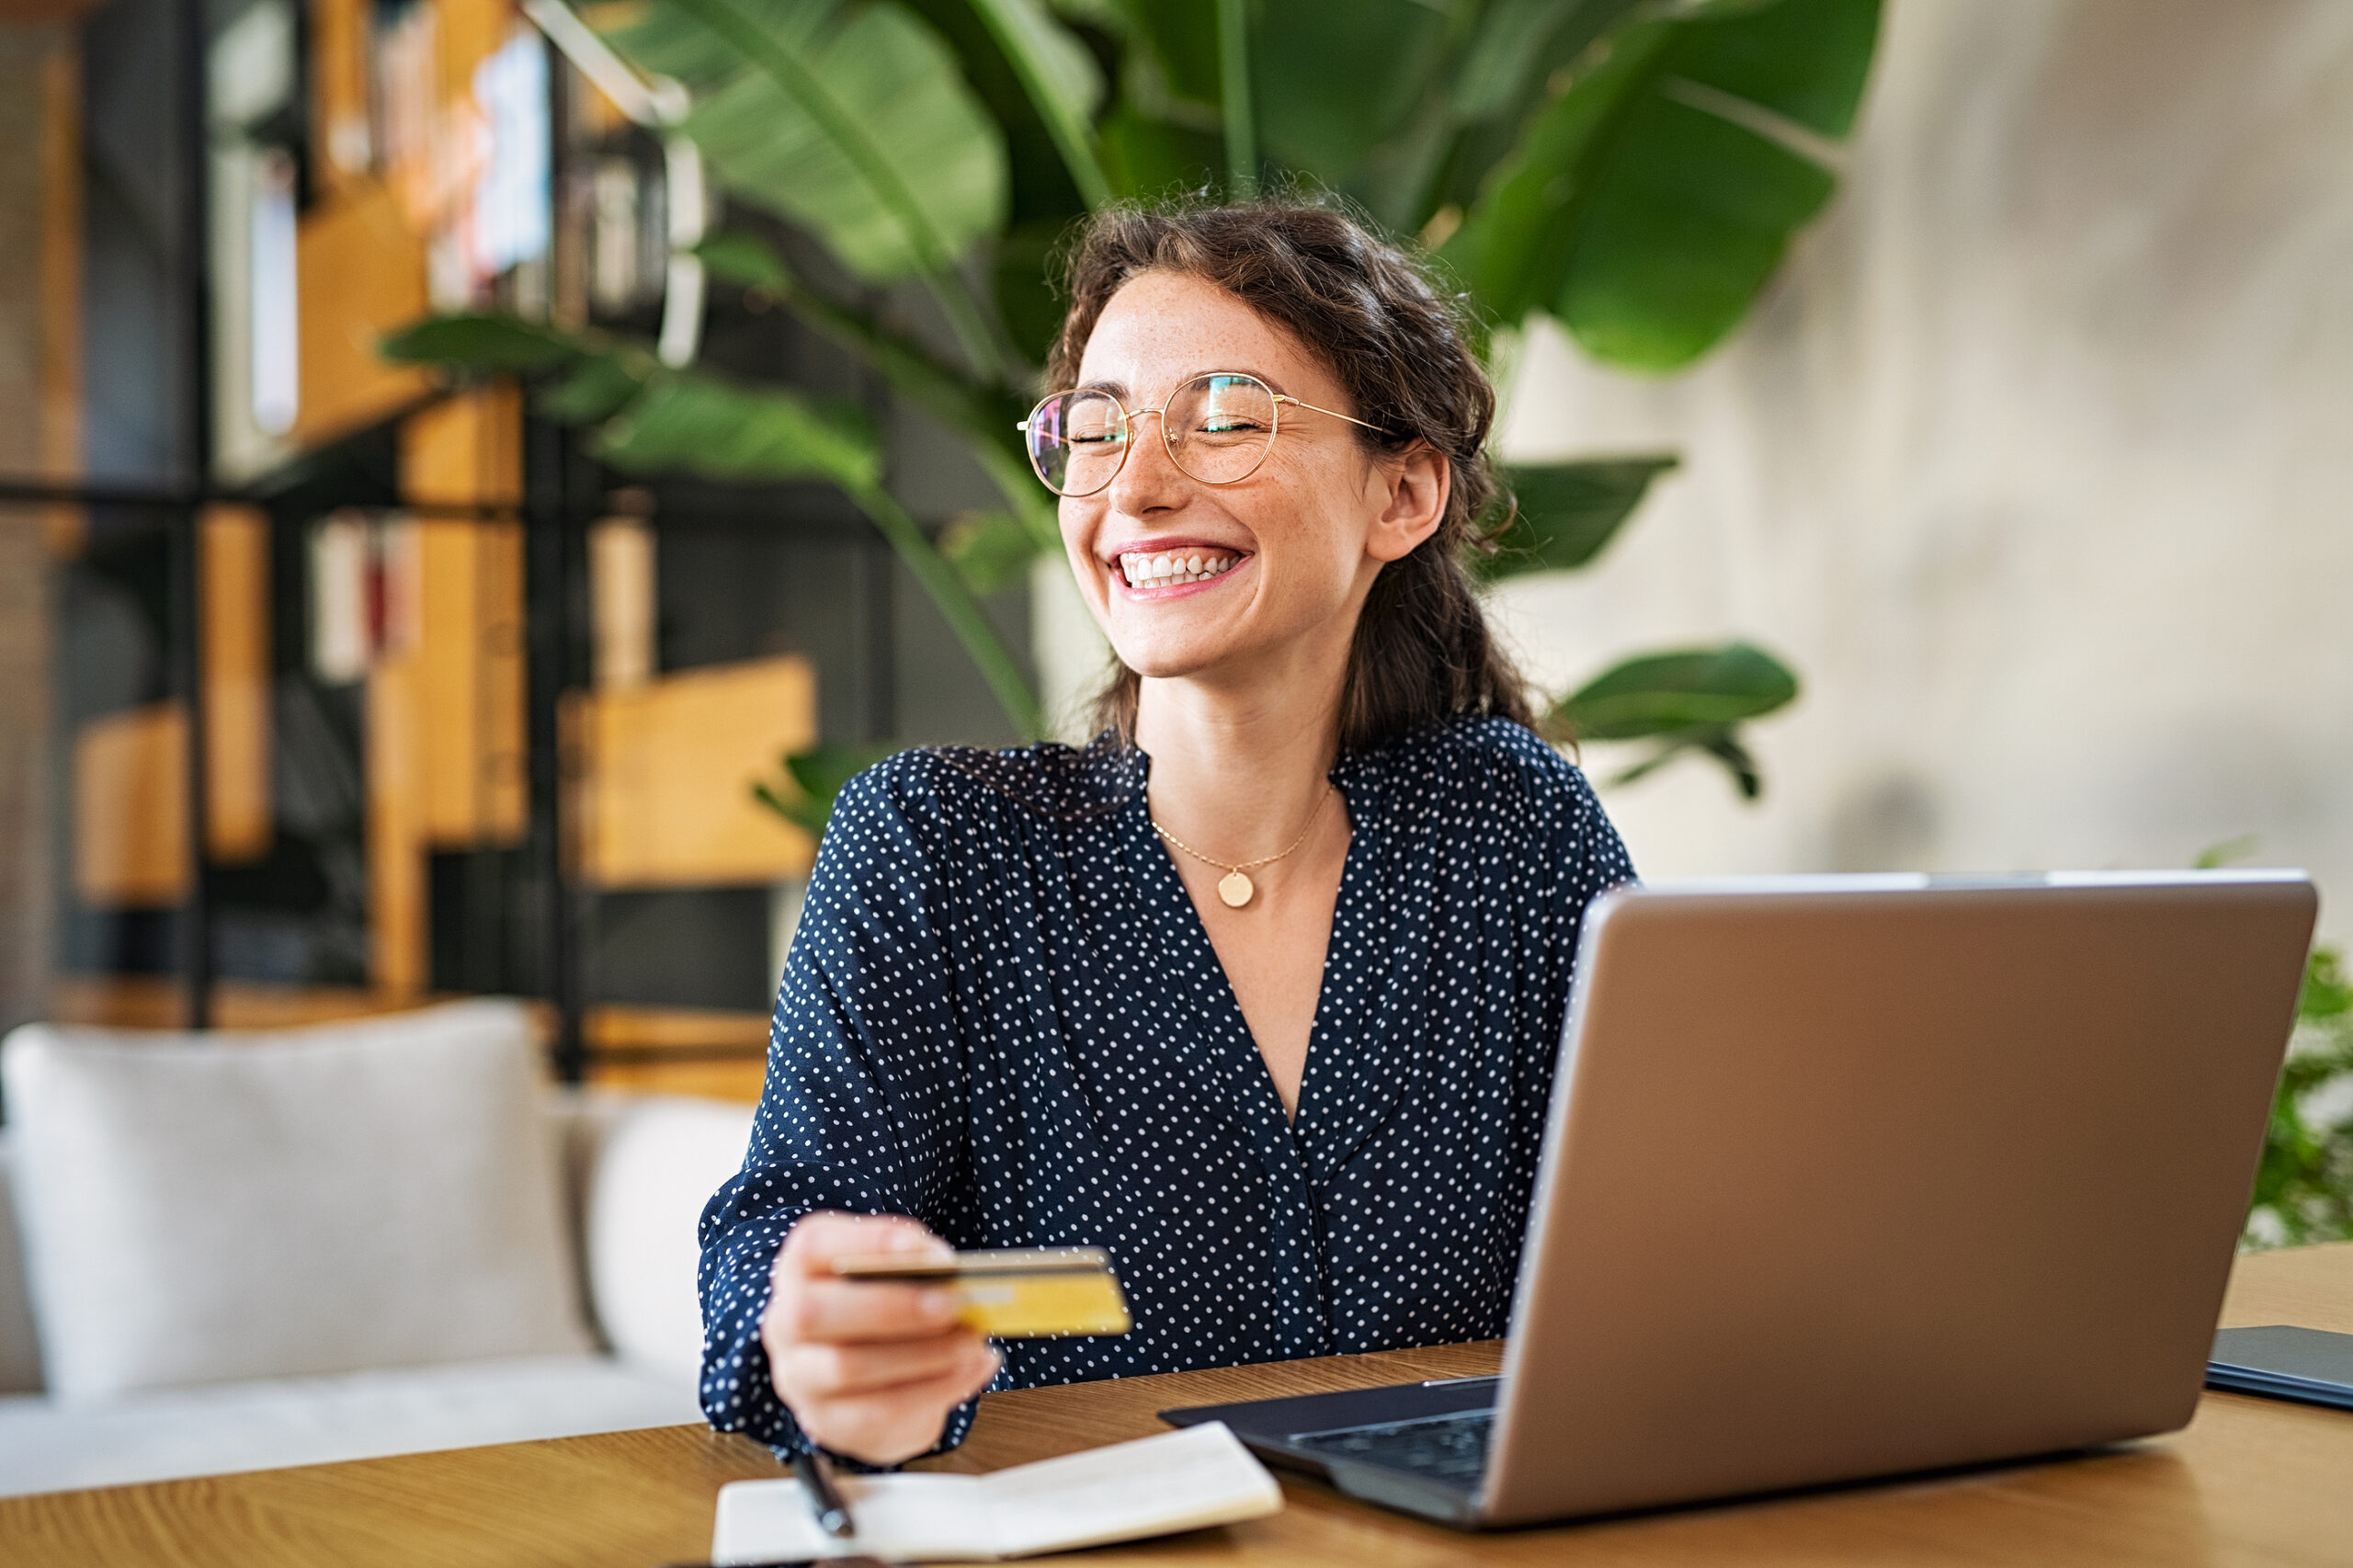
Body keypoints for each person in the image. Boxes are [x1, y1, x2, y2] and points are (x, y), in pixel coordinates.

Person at [698, 198, 1635, 1467]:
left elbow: (1661, 1257)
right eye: (1097, 428)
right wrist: (812, 1333)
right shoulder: (935, 847)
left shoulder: (1512, 835)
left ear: (1403, 491)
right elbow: (777, 1246)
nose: (1136, 486)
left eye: (1228, 418)